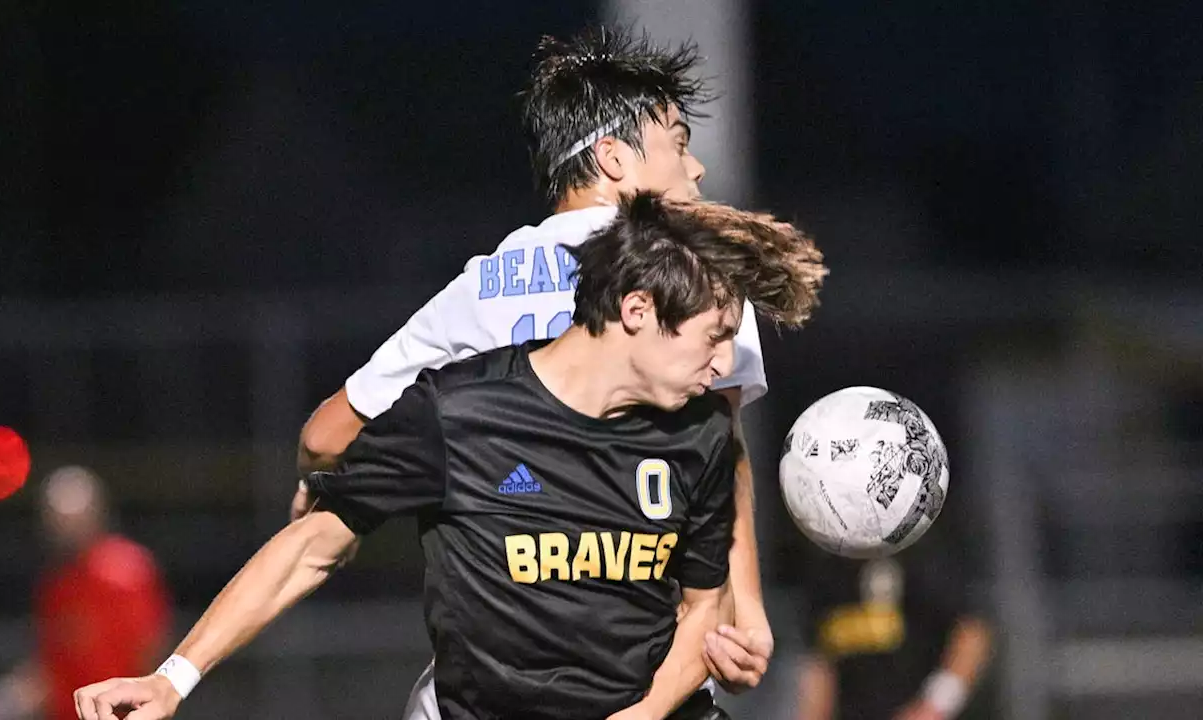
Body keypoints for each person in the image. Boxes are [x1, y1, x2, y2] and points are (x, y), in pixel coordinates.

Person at [72, 192, 827, 720]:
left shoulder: (698, 436)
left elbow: (700, 612)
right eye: (713, 336)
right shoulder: (455, 413)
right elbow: (310, 547)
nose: (724, 360)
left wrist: (647, 712)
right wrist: (172, 680)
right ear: (636, 311)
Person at [293, 27, 779, 715]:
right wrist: (742, 608)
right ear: (614, 156)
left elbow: (325, 436)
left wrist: (334, 487)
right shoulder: (691, 277)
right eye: (678, 140)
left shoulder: (481, 286)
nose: (695, 168)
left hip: (497, 672)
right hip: (638, 665)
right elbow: (721, 453)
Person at [0, 466, 172, 720]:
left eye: (72, 518)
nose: (63, 527)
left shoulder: (128, 571)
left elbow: (152, 655)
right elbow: (50, 672)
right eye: (56, 518)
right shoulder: (56, 586)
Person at [793, 525, 994, 720]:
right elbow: (819, 666)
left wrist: (933, 707)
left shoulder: (923, 552)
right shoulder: (827, 569)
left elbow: (972, 633)